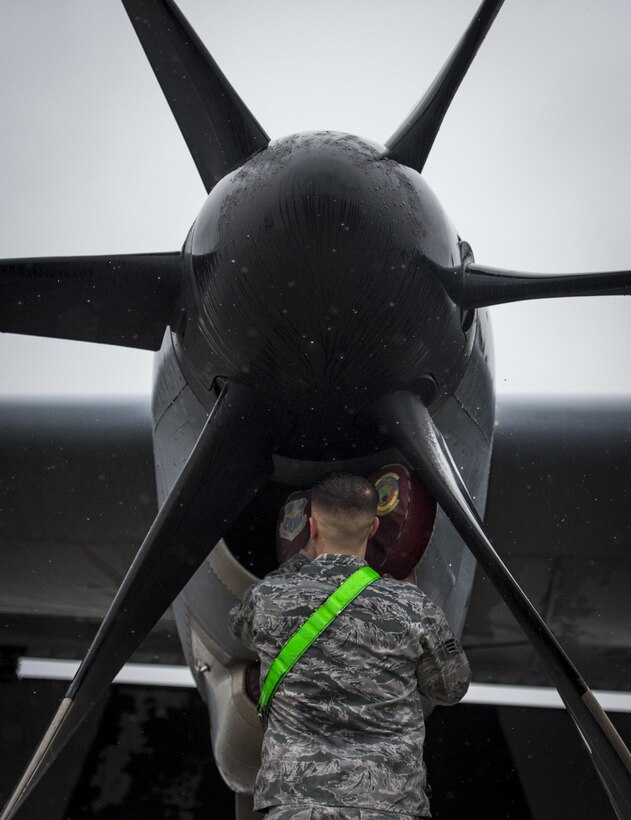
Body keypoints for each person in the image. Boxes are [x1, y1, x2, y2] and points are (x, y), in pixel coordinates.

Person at [230, 471, 471, 819]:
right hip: (389, 804)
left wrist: (294, 566)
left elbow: (240, 628)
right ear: (374, 528)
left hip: (298, 805)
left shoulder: (270, 599)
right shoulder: (411, 606)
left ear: (311, 528)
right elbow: (451, 688)